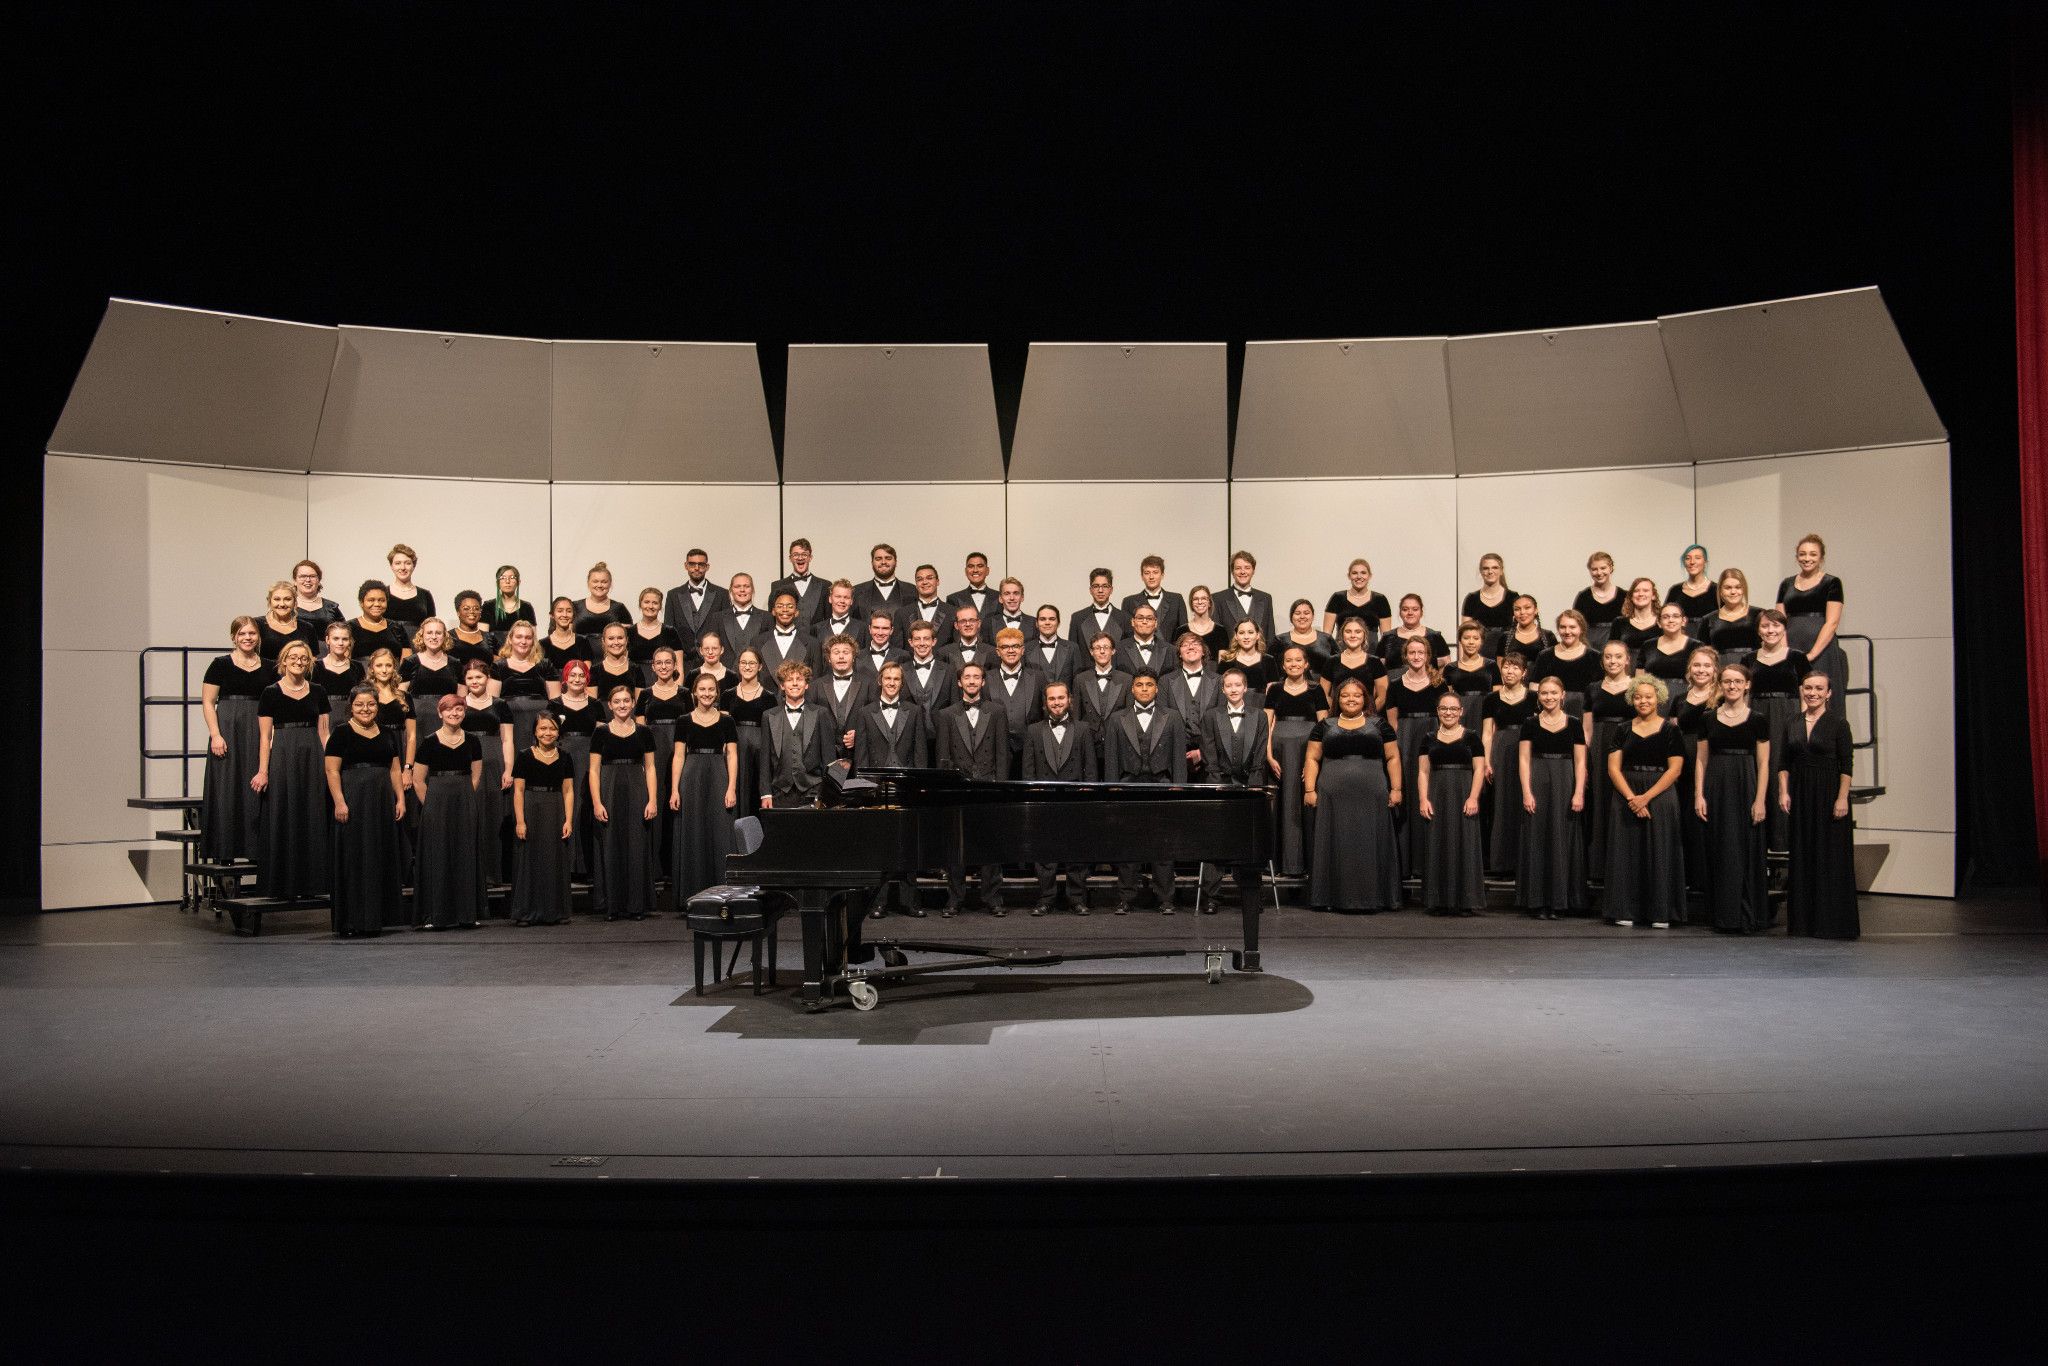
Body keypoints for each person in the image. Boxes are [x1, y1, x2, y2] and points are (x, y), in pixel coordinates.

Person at [1302, 678, 1402, 913]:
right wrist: (1309, 789)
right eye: (1345, 695)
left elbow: (1393, 758)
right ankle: (1330, 897)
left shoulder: (1380, 725)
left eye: (1356, 695)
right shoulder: (1324, 725)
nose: (1351, 699)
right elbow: (1312, 758)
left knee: (1370, 841)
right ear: (1337, 699)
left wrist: (1396, 788)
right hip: (1332, 795)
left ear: (1365, 698)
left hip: (1372, 793)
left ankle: (1375, 898)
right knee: (1335, 842)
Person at [1602, 677, 1687, 928]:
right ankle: (1625, 909)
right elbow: (1613, 768)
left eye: (1648, 696)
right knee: (1626, 852)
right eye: (1638, 697)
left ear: (1658, 698)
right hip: (1627, 794)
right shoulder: (1622, 729)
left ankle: (1660, 911)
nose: (1643, 701)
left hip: (1660, 794)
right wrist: (1632, 798)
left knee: (1660, 850)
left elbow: (1675, 769)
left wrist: (1646, 798)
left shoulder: (1671, 729)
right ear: (1631, 699)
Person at [1780, 672, 1859, 939]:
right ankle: (1804, 924)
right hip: (1801, 794)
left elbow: (1846, 764)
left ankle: (1832, 923)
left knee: (1830, 857)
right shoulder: (1792, 722)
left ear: (1829, 693)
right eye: (1808, 687)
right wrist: (1783, 792)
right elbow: (1783, 763)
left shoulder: (1838, 723)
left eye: (1819, 688)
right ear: (1801, 690)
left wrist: (1841, 798)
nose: (1813, 692)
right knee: (1804, 855)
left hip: (1829, 795)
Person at [1695, 662, 1771, 935]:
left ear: (1747, 685)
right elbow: (1701, 759)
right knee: (1721, 847)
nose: (1732, 686)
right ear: (1721, 684)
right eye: (1727, 681)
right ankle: (1723, 915)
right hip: (1717, 783)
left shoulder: (1758, 719)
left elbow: (1764, 764)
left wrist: (1760, 799)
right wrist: (1699, 794)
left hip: (1746, 783)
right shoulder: (1708, 718)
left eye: (1738, 681)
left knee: (1746, 847)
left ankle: (1747, 913)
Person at [324, 685, 405, 937]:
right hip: (354, 802)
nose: (365, 709)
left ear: (377, 706)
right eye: (359, 704)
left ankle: (378, 918)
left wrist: (400, 799)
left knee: (379, 855)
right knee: (354, 857)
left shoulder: (389, 734)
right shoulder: (341, 733)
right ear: (351, 706)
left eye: (370, 704)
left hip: (381, 802)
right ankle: (352, 920)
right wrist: (339, 801)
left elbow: (394, 770)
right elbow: (332, 770)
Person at [253, 641, 332, 899]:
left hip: (312, 754)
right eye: (293, 657)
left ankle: (313, 883)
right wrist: (263, 771)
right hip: (284, 755)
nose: (299, 662)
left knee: (312, 813)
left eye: (304, 658)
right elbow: (265, 737)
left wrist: (330, 766)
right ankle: (282, 883)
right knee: (284, 813)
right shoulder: (270, 692)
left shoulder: (319, 691)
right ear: (283, 661)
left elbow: (324, 733)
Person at [853, 661, 931, 919]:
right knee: (879, 848)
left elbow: (920, 753)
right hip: (877, 790)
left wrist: (919, 789)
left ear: (902, 682)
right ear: (880, 681)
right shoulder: (865, 712)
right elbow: (861, 757)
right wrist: (865, 790)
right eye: (887, 678)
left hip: (906, 788)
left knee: (909, 846)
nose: (892, 683)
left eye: (896, 679)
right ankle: (878, 902)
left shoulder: (915, 711)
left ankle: (911, 902)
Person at [1102, 670, 1184, 914]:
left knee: (1163, 846)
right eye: (1140, 685)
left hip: (1162, 786)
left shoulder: (1172, 717)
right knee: (1129, 845)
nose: (1145, 689)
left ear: (1157, 689)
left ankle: (1166, 898)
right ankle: (1126, 897)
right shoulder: (1117, 719)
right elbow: (1111, 760)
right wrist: (1112, 789)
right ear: (1132, 689)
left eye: (1150, 684)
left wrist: (1178, 788)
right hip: (1129, 786)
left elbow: (1179, 758)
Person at [935, 663, 1008, 914]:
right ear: (959, 682)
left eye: (977, 677)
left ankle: (992, 897)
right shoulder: (946, 715)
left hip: (989, 785)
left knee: (991, 843)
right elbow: (943, 758)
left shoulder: (997, 711)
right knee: (957, 845)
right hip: (959, 788)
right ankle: (955, 898)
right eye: (967, 677)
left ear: (983, 682)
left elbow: (1002, 754)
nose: (972, 681)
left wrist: (1001, 788)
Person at [1197, 667, 1270, 910]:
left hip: (1250, 785)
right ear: (1223, 689)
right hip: (1220, 783)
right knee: (1215, 839)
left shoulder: (1259, 716)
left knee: (1248, 840)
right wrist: (1218, 785)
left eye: (1238, 685)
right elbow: (1209, 753)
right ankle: (1212, 896)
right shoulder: (1211, 716)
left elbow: (1259, 755)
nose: (1234, 689)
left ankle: (1251, 894)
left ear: (1245, 687)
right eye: (1229, 686)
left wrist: (1254, 789)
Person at [1516, 677, 1589, 919]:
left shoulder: (1574, 723)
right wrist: (1527, 791)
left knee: (1561, 838)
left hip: (1565, 780)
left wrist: (1578, 791)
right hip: (1538, 778)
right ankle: (1537, 901)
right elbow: (1524, 759)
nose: (1548, 697)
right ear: (1538, 696)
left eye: (1553, 693)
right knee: (1537, 838)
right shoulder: (1530, 723)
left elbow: (1580, 761)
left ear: (1563, 695)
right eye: (1544, 693)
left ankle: (1560, 901)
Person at [411, 692, 484, 930]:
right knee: (438, 856)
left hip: (463, 800)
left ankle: (467, 913)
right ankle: (436, 914)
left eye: (459, 709)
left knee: (465, 854)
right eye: (449, 710)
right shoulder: (429, 742)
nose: (454, 714)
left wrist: (466, 799)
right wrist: (431, 806)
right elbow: (419, 780)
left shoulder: (473, 741)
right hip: (437, 803)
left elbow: (475, 775)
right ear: (440, 713)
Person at [1023, 680, 1096, 916]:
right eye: (1052, 699)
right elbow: (1029, 770)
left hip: (1075, 799)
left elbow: (1090, 768)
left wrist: (1088, 798)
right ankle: (1046, 898)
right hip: (1045, 799)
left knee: (1076, 851)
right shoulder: (1034, 730)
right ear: (1046, 703)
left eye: (1061, 698)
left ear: (1069, 700)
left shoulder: (1084, 729)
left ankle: (1077, 898)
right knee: (1045, 853)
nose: (1057, 703)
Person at [200, 616, 268, 864]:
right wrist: (215, 734)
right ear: (233, 637)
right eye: (242, 634)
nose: (247, 638)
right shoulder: (219, 664)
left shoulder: (270, 666)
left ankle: (254, 850)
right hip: (228, 728)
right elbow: (208, 702)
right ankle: (225, 848)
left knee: (255, 786)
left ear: (258, 637)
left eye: (252, 634)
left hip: (257, 726)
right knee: (227, 787)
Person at [668, 671, 738, 905]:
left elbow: (732, 756)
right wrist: (675, 789)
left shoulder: (727, 720)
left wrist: (731, 788)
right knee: (693, 832)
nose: (707, 694)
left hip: (718, 774)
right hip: (692, 777)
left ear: (717, 693)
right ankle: (692, 895)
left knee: (720, 832)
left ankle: (722, 894)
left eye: (711, 690)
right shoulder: (684, 720)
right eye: (702, 689)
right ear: (695, 693)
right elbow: (678, 756)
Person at [589, 683, 658, 921]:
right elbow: (594, 771)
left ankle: (636, 906)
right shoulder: (600, 732)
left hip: (637, 791)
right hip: (609, 790)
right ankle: (613, 906)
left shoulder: (643, 732)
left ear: (632, 703)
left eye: (626, 701)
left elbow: (649, 768)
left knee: (636, 847)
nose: (622, 705)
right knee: (611, 847)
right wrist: (597, 803)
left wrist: (652, 800)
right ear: (610, 705)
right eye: (617, 701)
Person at [1384, 636, 1448, 886]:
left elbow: (1447, 717)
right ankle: (1406, 865)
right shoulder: (1396, 685)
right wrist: (1399, 748)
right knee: (1408, 796)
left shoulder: (1439, 684)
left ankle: (1428, 863)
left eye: (1421, 652)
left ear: (1428, 655)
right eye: (1412, 652)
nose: (1416, 656)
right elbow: (1392, 723)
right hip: (1406, 742)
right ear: (1405, 656)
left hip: (1431, 738)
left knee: (1429, 794)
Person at [1417, 692, 1487, 916]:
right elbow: (1422, 772)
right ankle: (1438, 900)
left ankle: (1465, 901)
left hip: (1463, 794)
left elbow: (1479, 770)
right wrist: (1423, 798)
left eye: (1453, 709)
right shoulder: (1428, 738)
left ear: (1461, 712)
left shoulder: (1472, 737)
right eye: (1444, 709)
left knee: (1464, 845)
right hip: (1437, 794)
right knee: (1438, 844)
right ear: (1437, 711)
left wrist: (1474, 796)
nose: (1448, 713)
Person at [1747, 609, 1811, 854]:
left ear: (1784, 629)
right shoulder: (1749, 660)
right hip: (1759, 716)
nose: (1770, 631)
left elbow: (1807, 693)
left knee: (1783, 770)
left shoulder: (1796, 658)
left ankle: (1785, 841)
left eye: (1775, 626)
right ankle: (1761, 840)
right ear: (1758, 630)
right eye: (1765, 626)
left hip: (1788, 716)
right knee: (1761, 769)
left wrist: (1804, 724)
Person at [1264, 645, 1328, 879]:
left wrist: (1313, 761)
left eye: (1298, 660)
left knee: (1305, 805)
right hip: (1280, 753)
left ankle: (1307, 865)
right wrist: (1269, 755)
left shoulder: (1316, 689)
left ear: (1306, 664)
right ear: (1283, 665)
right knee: (1282, 805)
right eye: (1288, 661)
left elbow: (1323, 728)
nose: (1293, 664)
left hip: (1307, 750)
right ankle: (1283, 864)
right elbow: (1266, 724)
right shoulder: (1275, 690)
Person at [509, 709, 575, 926]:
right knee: (530, 860)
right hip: (532, 808)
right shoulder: (524, 756)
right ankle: (526, 912)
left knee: (554, 859)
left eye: (552, 728)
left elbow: (568, 791)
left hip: (555, 808)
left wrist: (568, 819)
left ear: (558, 732)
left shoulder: (565, 757)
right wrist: (520, 820)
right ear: (535, 732)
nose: (548, 733)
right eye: (543, 728)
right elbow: (518, 790)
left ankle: (555, 911)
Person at [1583, 638, 1639, 884]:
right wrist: (1585, 759)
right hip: (1599, 749)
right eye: (1608, 657)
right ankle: (1599, 868)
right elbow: (1587, 730)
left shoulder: (1637, 686)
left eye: (1618, 656)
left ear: (1627, 659)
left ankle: (1626, 866)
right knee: (1601, 804)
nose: (1613, 661)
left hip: (1628, 748)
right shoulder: (1593, 688)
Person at [457, 659, 515, 889]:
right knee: (472, 817)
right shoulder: (459, 704)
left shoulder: (500, 704)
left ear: (487, 678)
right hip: (469, 763)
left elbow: (507, 739)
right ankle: (471, 874)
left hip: (494, 765)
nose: (475, 682)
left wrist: (509, 769)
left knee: (494, 819)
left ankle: (493, 875)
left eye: (479, 677)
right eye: (470, 678)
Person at [1775, 533, 1847, 714]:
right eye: (1802, 554)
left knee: (1822, 698)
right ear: (1797, 556)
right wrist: (1786, 652)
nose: (1807, 558)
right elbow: (1779, 620)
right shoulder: (1786, 584)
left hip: (1822, 650)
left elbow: (1832, 622)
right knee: (1795, 697)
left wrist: (1813, 654)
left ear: (1821, 557)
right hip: (1793, 648)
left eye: (1813, 554)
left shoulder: (1831, 583)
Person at [634, 646, 691, 871]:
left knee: (676, 801)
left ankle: (674, 863)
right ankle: (655, 865)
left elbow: (692, 724)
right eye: (659, 662)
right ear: (653, 666)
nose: (664, 666)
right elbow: (639, 729)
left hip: (679, 752)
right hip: (653, 754)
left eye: (668, 662)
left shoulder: (686, 693)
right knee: (655, 799)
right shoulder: (645, 695)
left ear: (675, 665)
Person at [1481, 652, 1537, 877]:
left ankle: (1525, 861)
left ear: (1524, 672)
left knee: (1525, 800)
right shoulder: (1491, 699)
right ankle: (1503, 863)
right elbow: (1487, 733)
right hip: (1501, 750)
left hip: (1528, 750)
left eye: (1515, 667)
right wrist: (1486, 761)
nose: (1509, 671)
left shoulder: (1534, 698)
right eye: (1506, 667)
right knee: (1502, 804)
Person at [548, 661, 602, 882]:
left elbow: (600, 737)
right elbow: (547, 734)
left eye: (582, 675)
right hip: (564, 758)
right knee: (566, 808)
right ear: (565, 678)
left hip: (589, 759)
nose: (577, 679)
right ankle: (566, 865)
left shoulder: (596, 705)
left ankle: (587, 866)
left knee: (587, 809)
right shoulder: (554, 705)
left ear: (587, 678)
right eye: (573, 675)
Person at [759, 661, 833, 810]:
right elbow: (765, 759)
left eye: (799, 679)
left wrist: (828, 794)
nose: (794, 684)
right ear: (782, 685)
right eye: (789, 680)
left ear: (806, 684)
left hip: (813, 790)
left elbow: (829, 758)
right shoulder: (769, 716)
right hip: (780, 791)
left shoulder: (820, 713)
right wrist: (765, 793)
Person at [988, 628, 1045, 777]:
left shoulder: (1038, 677)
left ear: (1022, 650)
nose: (1011, 650)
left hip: (1029, 750)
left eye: (1015, 646)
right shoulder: (986, 678)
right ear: (997, 651)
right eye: (1005, 647)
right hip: (995, 751)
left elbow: (1043, 713)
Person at [725, 649, 775, 816]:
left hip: (759, 751)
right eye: (743, 663)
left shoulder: (770, 697)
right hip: (733, 749)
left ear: (760, 666)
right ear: (738, 666)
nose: (747, 667)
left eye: (752, 663)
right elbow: (723, 726)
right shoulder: (727, 695)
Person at [492, 620, 556, 750]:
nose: (523, 641)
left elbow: (556, 701)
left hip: (540, 725)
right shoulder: (498, 667)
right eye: (519, 637)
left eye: (528, 638)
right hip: (510, 725)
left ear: (533, 641)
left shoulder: (545, 665)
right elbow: (493, 702)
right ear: (510, 639)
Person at [816, 635, 875, 764]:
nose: (841, 656)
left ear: (853, 657)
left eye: (846, 652)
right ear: (829, 658)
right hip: (824, 757)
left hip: (858, 756)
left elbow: (876, 719)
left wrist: (859, 735)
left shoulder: (868, 683)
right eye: (836, 652)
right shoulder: (816, 685)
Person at [662, 548, 728, 658]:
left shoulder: (722, 594)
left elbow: (725, 632)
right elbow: (669, 632)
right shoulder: (673, 595)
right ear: (686, 565)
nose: (696, 568)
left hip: (712, 660)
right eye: (692, 564)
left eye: (701, 564)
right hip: (682, 661)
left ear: (707, 567)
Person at [1533, 610, 1600, 711]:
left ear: (1581, 629)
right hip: (1551, 711)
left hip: (1585, 712)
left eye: (1572, 627)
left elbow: (1598, 691)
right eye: (1563, 627)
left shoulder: (1594, 657)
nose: (1567, 632)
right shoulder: (1545, 656)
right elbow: (1535, 687)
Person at [399, 618, 460, 729]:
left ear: (445, 636)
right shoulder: (409, 662)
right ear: (421, 635)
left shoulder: (455, 663)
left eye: (438, 633)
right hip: (417, 720)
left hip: (448, 719)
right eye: (429, 632)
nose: (434, 637)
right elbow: (401, 696)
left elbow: (461, 697)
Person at [1320, 616, 1388, 714]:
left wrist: (1368, 715)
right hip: (1338, 720)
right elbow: (1323, 695)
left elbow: (1383, 696)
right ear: (1342, 635)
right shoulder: (1332, 662)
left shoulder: (1375, 662)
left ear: (1364, 635)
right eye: (1348, 631)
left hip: (1367, 721)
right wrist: (1335, 712)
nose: (1353, 635)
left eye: (1358, 631)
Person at [1442, 622, 1498, 728]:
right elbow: (1446, 699)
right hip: (1459, 714)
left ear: (1481, 641)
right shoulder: (1450, 668)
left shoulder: (1491, 665)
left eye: (1476, 638)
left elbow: (1498, 697)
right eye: (1466, 638)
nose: (1471, 642)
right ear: (1460, 640)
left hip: (1485, 715)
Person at [1324, 558, 1393, 644]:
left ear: (1369, 576)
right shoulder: (1337, 598)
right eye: (1354, 573)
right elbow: (1326, 635)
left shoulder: (1380, 600)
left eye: (1363, 573)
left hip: (1371, 654)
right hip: (1342, 653)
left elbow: (1386, 637)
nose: (1359, 577)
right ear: (1349, 576)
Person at [1212, 550, 1277, 641]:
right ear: (1232, 571)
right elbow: (1216, 637)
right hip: (1230, 654)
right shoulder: (1218, 599)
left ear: (1253, 571)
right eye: (1238, 568)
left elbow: (1270, 634)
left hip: (1260, 654)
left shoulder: (1266, 598)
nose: (1243, 572)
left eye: (1247, 568)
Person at [1122, 555, 1188, 642]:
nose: (1151, 577)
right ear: (1142, 576)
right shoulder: (1129, 602)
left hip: (1170, 653)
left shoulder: (1177, 600)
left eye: (1155, 572)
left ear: (1162, 575)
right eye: (1147, 573)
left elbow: (1183, 633)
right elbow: (1127, 634)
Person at [1376, 593, 1450, 670]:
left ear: (1421, 612)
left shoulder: (1434, 636)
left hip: (1428, 681)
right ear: (1400, 613)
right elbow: (1378, 669)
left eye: (1415, 609)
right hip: (1393, 681)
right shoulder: (1388, 637)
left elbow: (1445, 666)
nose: (1410, 613)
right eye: (1405, 609)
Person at [1072, 632, 1131, 728]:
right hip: (1089, 738)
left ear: (1113, 651)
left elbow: (1129, 717)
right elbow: (1076, 716)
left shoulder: (1126, 679)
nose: (1102, 651)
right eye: (1097, 648)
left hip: (1116, 737)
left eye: (1106, 647)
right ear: (1091, 652)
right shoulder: (1080, 679)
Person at [312, 620, 365, 726]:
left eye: (345, 639)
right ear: (327, 640)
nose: (340, 643)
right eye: (336, 639)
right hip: (324, 718)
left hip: (351, 718)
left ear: (350, 641)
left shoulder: (357, 667)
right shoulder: (315, 667)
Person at [1067, 568, 1133, 649]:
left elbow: (1128, 654)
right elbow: (1073, 654)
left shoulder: (1125, 618)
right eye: (1096, 586)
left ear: (1111, 589)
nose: (1100, 590)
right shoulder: (1077, 618)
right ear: (1090, 590)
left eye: (1105, 586)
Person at [901, 622, 957, 716]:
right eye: (917, 639)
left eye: (926, 639)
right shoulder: (900, 671)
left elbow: (955, 707)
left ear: (934, 641)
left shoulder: (949, 671)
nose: (922, 643)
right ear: (910, 642)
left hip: (940, 729)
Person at [1706, 568, 1763, 661]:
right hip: (1721, 670)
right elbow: (1704, 654)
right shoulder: (1708, 620)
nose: (1733, 592)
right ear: (1720, 590)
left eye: (1738, 587)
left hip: (1752, 668)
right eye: (1728, 588)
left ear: (1744, 589)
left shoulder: (1758, 615)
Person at [628, 587, 683, 683]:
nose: (650, 606)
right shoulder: (630, 632)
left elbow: (679, 666)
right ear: (640, 604)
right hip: (635, 683)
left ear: (660, 606)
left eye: (655, 603)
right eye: (647, 602)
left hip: (664, 684)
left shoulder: (670, 632)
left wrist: (678, 691)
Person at [1639, 602, 1701, 684]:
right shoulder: (1647, 646)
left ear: (1683, 621)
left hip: (1686, 694)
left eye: (1675, 616)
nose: (1671, 620)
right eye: (1665, 617)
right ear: (1659, 622)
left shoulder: (1696, 646)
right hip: (1653, 694)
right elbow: (1639, 680)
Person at [772, 537, 830, 625]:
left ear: (810, 557)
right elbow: (772, 621)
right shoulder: (777, 586)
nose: (800, 558)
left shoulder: (825, 585)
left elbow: (828, 621)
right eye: (795, 554)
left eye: (804, 554)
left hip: (816, 638)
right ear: (790, 558)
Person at [348, 581, 409, 662]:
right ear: (361, 602)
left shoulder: (397, 627)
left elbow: (407, 662)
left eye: (381, 600)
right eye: (371, 600)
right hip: (360, 674)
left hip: (394, 674)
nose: (377, 604)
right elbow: (344, 661)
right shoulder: (349, 627)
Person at [1572, 551, 1624, 644]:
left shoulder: (1624, 596)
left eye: (1603, 568)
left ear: (1611, 568)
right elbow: (1576, 626)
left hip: (1617, 649)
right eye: (1594, 569)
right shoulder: (1583, 597)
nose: (1599, 573)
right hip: (1590, 648)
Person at [714, 574, 769, 661]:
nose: (742, 590)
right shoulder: (717, 618)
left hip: (757, 673)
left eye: (746, 586)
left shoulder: (767, 617)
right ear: (731, 590)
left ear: (753, 590)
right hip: (726, 673)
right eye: (737, 586)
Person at [758, 590, 814, 675]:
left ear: (796, 612)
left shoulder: (812, 644)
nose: (785, 610)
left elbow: (815, 680)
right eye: (780, 606)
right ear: (773, 611)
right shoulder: (757, 642)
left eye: (790, 606)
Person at [383, 544, 435, 632]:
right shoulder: (383, 593)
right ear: (391, 566)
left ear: (413, 566)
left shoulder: (425, 595)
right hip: (389, 644)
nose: (403, 567)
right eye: (398, 563)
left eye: (407, 563)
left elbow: (432, 626)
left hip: (418, 644)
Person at [256, 580, 313, 661]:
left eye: (287, 599)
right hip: (265, 673)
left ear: (295, 602)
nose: (282, 604)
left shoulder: (307, 628)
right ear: (269, 601)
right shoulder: (257, 624)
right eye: (277, 599)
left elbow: (312, 659)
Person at [1460, 553, 1516, 635]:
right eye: (1486, 568)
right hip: (1480, 647)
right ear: (1481, 571)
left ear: (1501, 571)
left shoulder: (1513, 597)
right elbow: (1464, 634)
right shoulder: (1471, 599)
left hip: (1507, 647)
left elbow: (1520, 630)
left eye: (1495, 568)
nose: (1490, 571)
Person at [573, 562, 632, 636]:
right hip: (579, 647)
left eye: (604, 582)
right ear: (588, 583)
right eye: (595, 581)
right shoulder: (575, 606)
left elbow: (629, 637)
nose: (599, 585)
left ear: (610, 584)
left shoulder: (619, 608)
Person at [1025, 605, 1079, 684]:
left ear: (1058, 623)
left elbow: (1077, 683)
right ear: (1036, 623)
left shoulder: (1072, 648)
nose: (1047, 623)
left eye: (1052, 619)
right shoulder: (1025, 649)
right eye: (1042, 619)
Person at [904, 563, 956, 646]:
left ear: (937, 581)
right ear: (916, 584)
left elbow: (955, 648)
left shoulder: (953, 612)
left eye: (929, 578)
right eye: (920, 579)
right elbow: (899, 651)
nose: (924, 582)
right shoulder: (902, 613)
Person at [1279, 598, 1335, 675]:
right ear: (1291, 617)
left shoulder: (1326, 639)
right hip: (1289, 685)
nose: (1302, 616)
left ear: (1313, 616)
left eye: (1306, 613)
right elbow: (1271, 669)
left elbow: (1337, 666)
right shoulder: (1280, 640)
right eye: (1297, 613)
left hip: (1323, 686)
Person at [1114, 603, 1170, 678]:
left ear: (1156, 623)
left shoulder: (1171, 651)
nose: (1144, 622)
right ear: (1133, 622)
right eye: (1140, 618)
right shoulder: (1117, 649)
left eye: (1149, 618)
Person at [1494, 594, 1554, 662]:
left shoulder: (1548, 636)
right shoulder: (1505, 637)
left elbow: (1554, 664)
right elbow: (1500, 665)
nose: (1522, 612)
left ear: (1536, 610)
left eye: (1527, 608)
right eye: (1517, 609)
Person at [1217, 619, 1273, 693]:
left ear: (1257, 635)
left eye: (1250, 632)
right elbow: (1218, 689)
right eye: (1241, 633)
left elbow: (1274, 691)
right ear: (1236, 636)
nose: (1246, 637)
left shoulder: (1269, 660)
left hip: (1262, 703)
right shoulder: (1226, 661)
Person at [541, 596, 594, 674]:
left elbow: (586, 672)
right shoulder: (543, 644)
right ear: (552, 615)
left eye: (569, 611)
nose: (565, 615)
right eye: (560, 611)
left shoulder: (582, 641)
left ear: (573, 615)